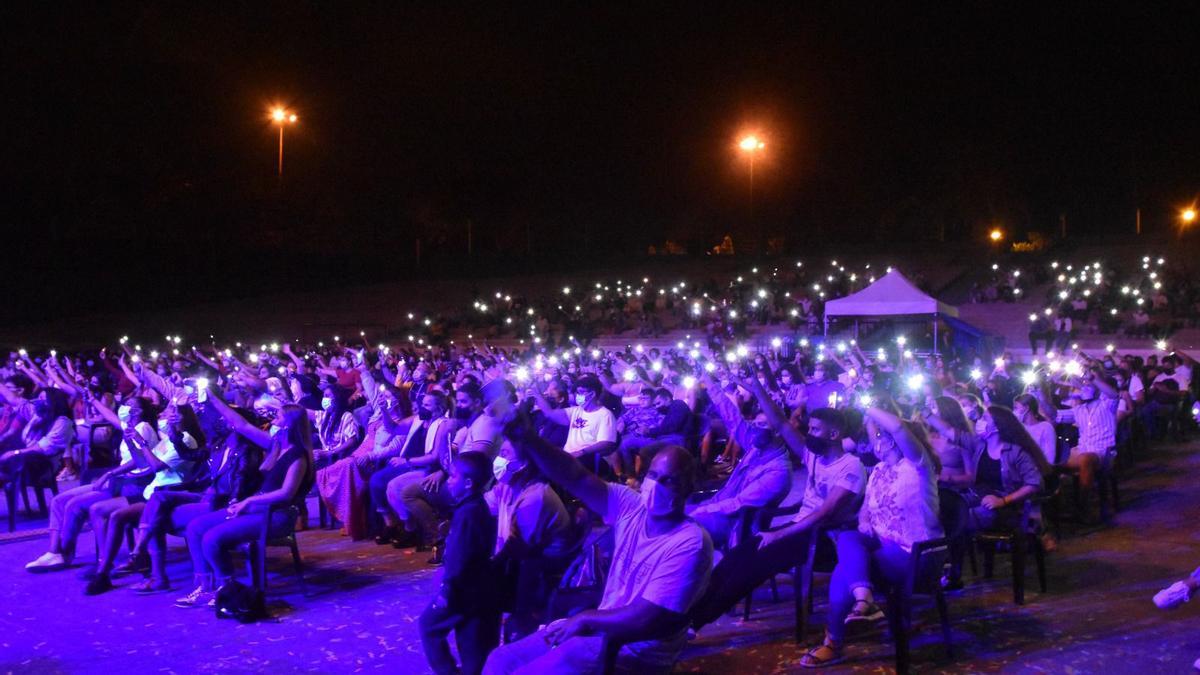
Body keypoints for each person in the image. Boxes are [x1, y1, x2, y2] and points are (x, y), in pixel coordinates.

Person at [484, 419, 712, 674]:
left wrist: (585, 619)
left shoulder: (690, 543)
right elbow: (576, 477)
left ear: (688, 488)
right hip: (597, 631)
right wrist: (529, 438)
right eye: (653, 475)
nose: (656, 486)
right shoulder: (632, 507)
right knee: (499, 661)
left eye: (670, 481)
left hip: (633, 649)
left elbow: (646, 617)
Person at [798, 404, 943, 667]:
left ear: (893, 440)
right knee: (848, 539)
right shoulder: (878, 470)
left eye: (880, 436)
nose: (875, 441)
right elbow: (866, 508)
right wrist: (864, 519)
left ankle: (835, 641)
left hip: (917, 554)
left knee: (844, 570)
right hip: (882, 549)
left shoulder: (918, 465)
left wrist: (868, 404)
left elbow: (898, 427)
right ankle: (864, 599)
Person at [175, 400, 314, 608]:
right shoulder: (277, 445)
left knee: (212, 538)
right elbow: (242, 425)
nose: (272, 421)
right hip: (258, 508)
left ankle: (227, 590)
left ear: (288, 425)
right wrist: (211, 397)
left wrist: (248, 501)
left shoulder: (298, 456)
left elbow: (286, 494)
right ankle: (205, 586)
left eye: (277, 418)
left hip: (278, 515)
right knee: (195, 528)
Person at [85, 399, 204, 595]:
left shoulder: (187, 439)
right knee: (110, 513)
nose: (165, 414)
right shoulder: (168, 438)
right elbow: (143, 463)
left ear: (182, 417)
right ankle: (105, 570)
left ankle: (112, 569)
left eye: (171, 412)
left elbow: (156, 466)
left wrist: (143, 443)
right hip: (153, 491)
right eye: (167, 411)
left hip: (168, 494)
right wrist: (132, 442)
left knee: (119, 516)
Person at [25, 397, 158, 572]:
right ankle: (54, 552)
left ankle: (64, 553)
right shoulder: (131, 428)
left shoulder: (144, 428)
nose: (123, 407)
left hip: (129, 484)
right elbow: (110, 416)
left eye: (129, 405)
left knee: (74, 505)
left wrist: (109, 474)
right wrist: (93, 399)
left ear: (139, 411)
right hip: (118, 480)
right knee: (59, 500)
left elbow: (139, 461)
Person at [941, 405, 1050, 590]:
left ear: (996, 426)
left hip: (1007, 508)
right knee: (943, 508)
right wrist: (926, 413)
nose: (979, 421)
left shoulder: (1015, 452)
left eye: (985, 418)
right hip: (979, 498)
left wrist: (1003, 501)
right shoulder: (980, 445)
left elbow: (1034, 483)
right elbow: (950, 432)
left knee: (956, 521)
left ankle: (952, 574)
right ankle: (948, 570)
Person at [418, 452, 501, 675]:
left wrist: (447, 588)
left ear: (468, 483)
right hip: (478, 589)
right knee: (472, 644)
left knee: (428, 626)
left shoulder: (469, 513)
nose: (449, 481)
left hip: (463, 590)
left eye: (453, 477)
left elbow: (459, 557)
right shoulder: (474, 506)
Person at [488, 440, 573, 641]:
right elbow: (485, 505)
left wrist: (486, 568)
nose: (499, 459)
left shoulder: (535, 496)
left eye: (506, 454)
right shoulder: (508, 485)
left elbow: (518, 548)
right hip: (523, 557)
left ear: (524, 464)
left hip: (541, 565)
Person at [1014, 394, 1058, 465]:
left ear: (1026, 408)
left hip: (1038, 471)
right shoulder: (1018, 428)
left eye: (1016, 408)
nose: (1014, 411)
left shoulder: (1046, 427)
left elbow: (1050, 459)